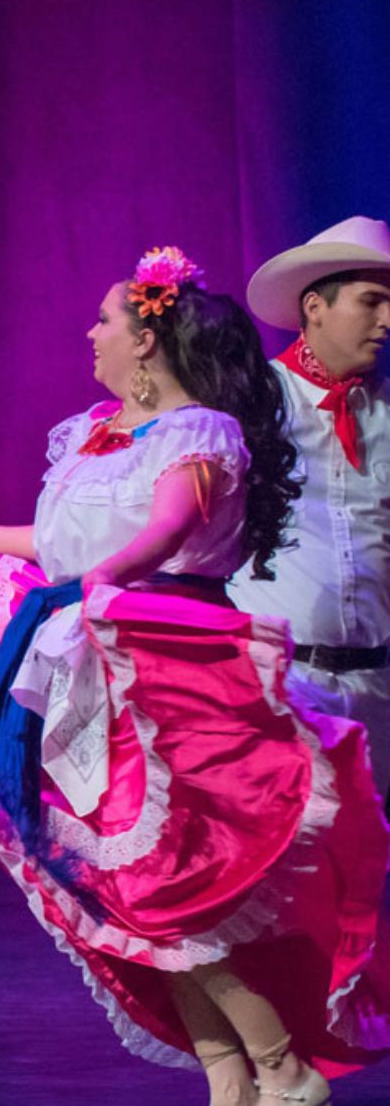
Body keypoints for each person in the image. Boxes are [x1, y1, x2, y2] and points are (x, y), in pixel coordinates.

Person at [0, 247, 386, 1106]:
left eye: (106, 321)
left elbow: (169, 527)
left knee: (168, 878)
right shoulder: (95, 436)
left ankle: (281, 1063)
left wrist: (99, 585)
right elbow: (65, 544)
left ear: (148, 342)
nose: (92, 333)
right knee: (119, 884)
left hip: (168, 663)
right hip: (91, 660)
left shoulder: (202, 429)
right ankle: (228, 1075)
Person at [234, 216, 390, 790]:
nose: (388, 321)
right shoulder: (251, 403)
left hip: (377, 688)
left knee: (366, 870)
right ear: (315, 306)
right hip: (284, 681)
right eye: (372, 301)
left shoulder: (385, 412)